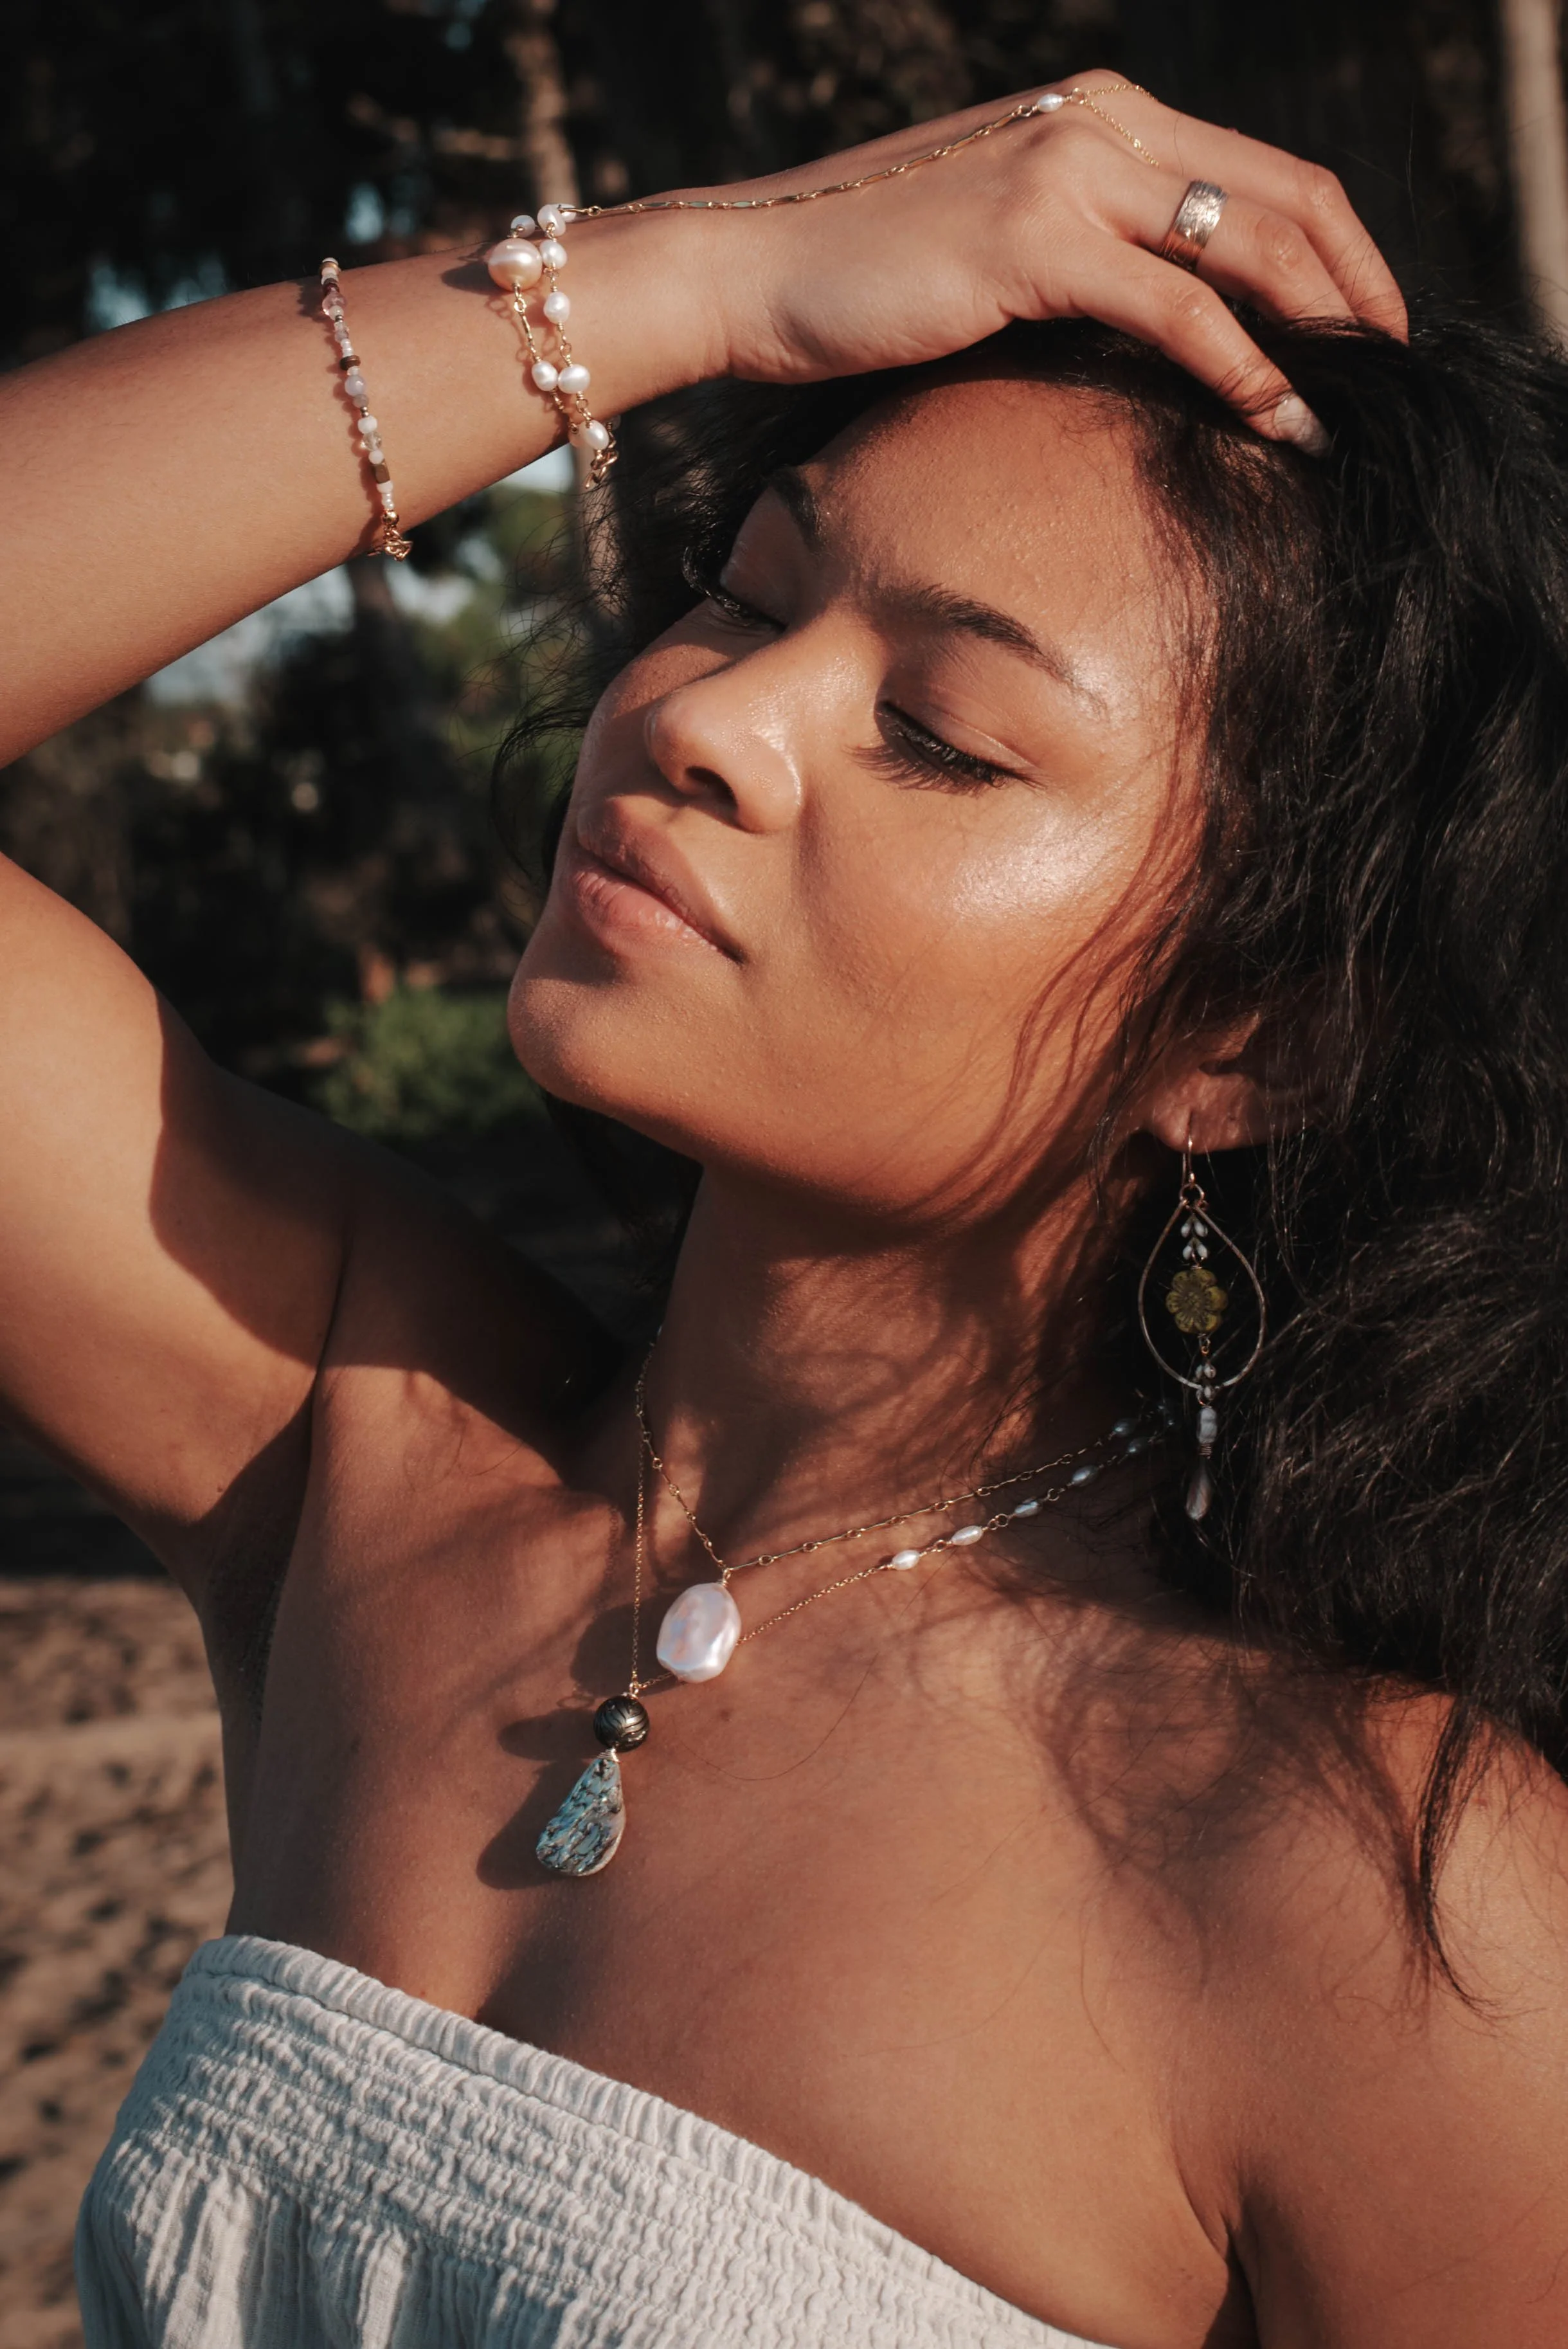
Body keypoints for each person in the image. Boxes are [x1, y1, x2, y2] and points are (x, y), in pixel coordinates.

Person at [2, 66, 1566, 2349]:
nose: (706, 722)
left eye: (938, 730)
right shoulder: (367, 1460)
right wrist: (692, 269)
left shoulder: (1362, 1883)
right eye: (742, 599)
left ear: (1248, 1043)